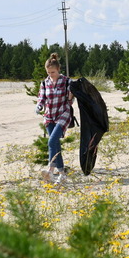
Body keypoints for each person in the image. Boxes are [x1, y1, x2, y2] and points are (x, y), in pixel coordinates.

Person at [35, 52, 74, 183]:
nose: (50, 75)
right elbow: (41, 97)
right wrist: (39, 106)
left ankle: (50, 171)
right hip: (49, 116)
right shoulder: (45, 83)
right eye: (48, 72)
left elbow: (72, 96)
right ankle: (62, 174)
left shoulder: (67, 81)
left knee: (51, 141)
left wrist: (71, 95)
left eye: (53, 72)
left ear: (58, 70)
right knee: (55, 144)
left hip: (63, 114)